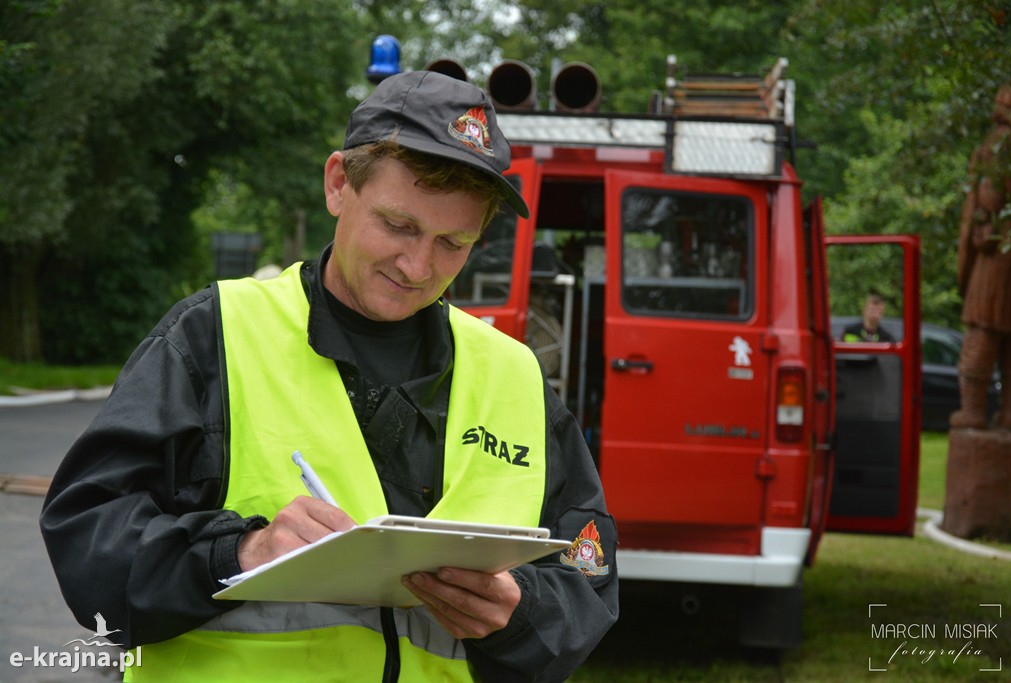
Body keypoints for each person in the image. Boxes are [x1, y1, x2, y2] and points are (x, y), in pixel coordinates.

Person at [39, 71, 618, 682]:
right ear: (338, 183)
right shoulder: (215, 334)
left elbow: (588, 578)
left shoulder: (513, 374)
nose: (418, 266)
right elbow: (89, 540)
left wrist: (520, 612)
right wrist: (242, 551)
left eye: (454, 242)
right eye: (399, 226)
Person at [950, 78, 1011, 431]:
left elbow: (991, 198)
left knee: (982, 328)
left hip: (996, 254)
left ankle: (974, 412)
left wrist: (980, 215)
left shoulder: (1001, 144)